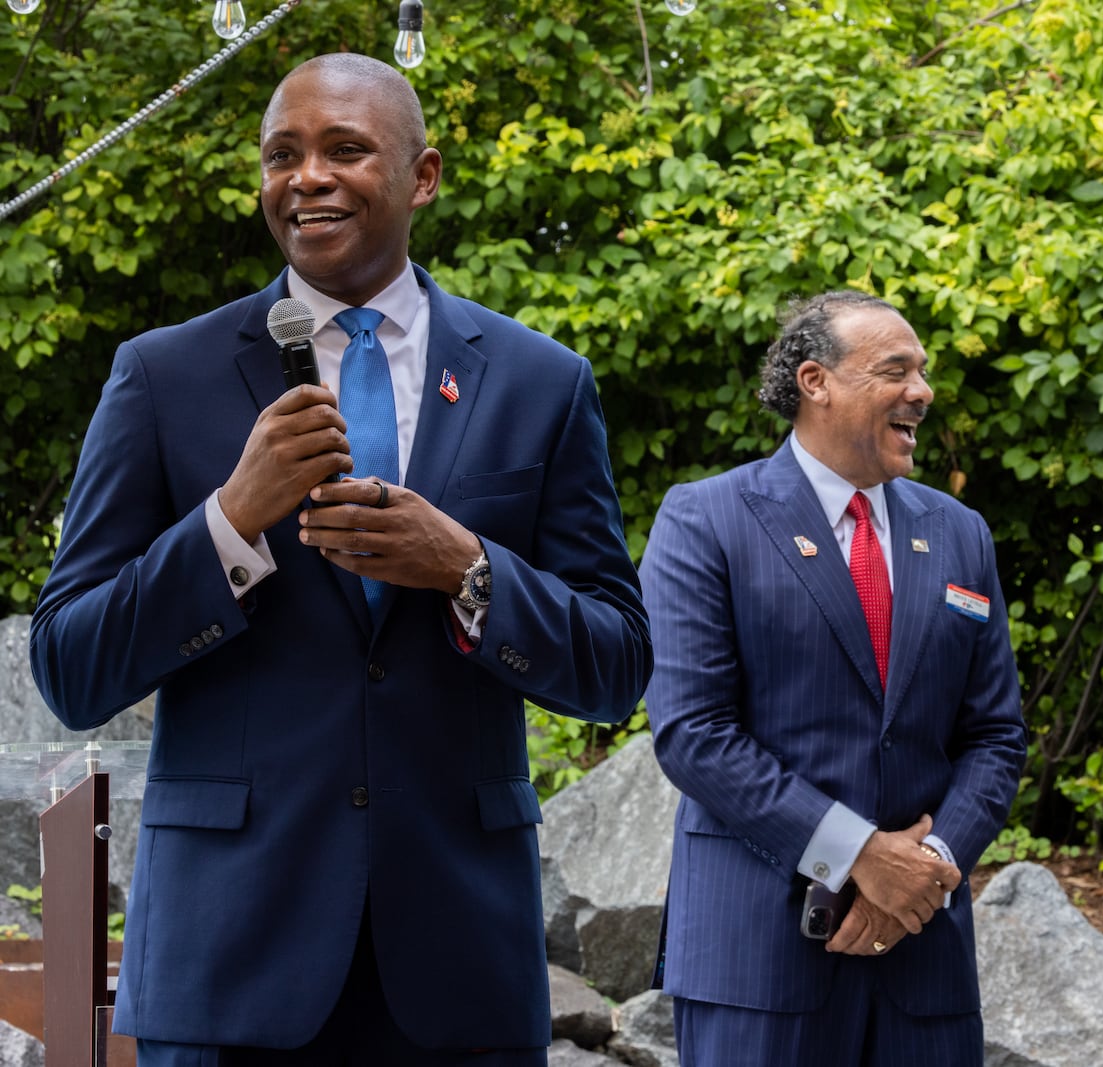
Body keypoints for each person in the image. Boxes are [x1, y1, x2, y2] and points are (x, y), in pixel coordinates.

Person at [28, 53, 650, 1065]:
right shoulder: (162, 375)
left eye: (344, 149)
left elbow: (617, 662)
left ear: (424, 175)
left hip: (458, 970)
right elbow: (69, 665)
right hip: (228, 964)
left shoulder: (540, 381)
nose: (306, 177)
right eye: (282, 155)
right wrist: (230, 520)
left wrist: (466, 566)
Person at [640, 290, 1027, 1065]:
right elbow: (692, 733)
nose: (921, 391)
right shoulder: (705, 519)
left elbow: (995, 734)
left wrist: (928, 871)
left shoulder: (958, 531)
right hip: (758, 960)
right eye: (895, 370)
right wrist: (856, 856)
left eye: (923, 372)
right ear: (814, 381)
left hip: (924, 962)